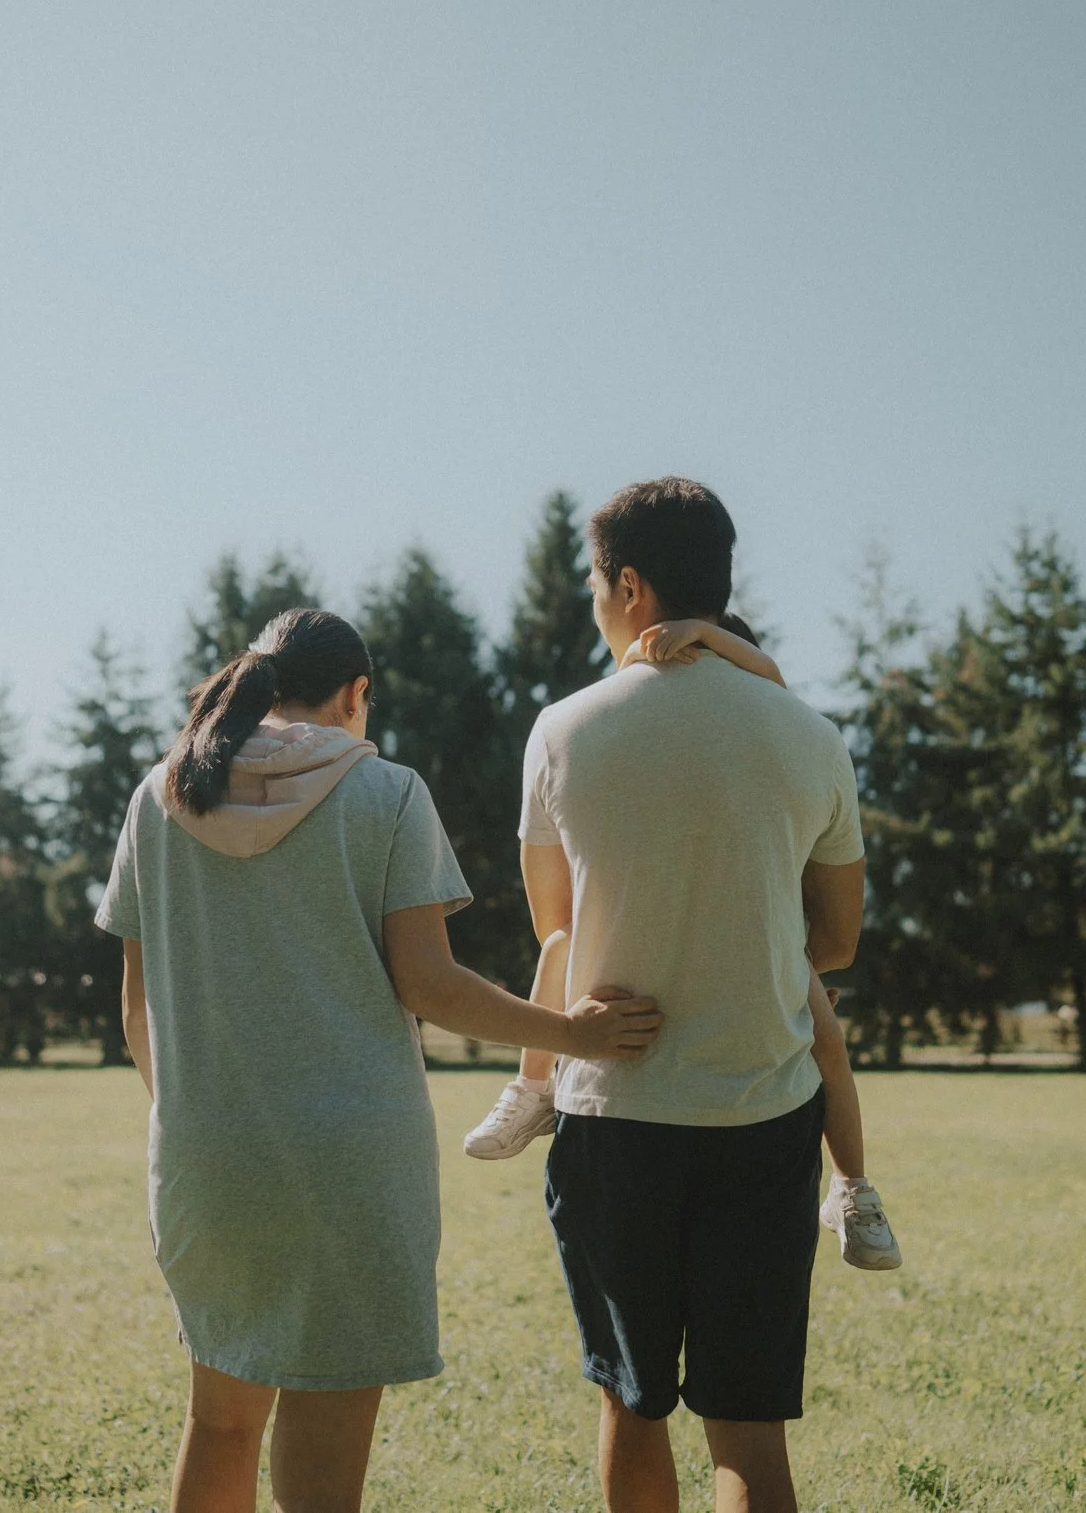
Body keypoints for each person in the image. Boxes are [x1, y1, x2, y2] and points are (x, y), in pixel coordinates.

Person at [98, 607, 663, 1513]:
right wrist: (578, 1035)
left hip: (206, 1164)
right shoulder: (387, 793)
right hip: (348, 1167)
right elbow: (431, 985)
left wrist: (202, 1116)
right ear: (357, 694)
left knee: (221, 1422)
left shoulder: (161, 795)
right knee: (324, 1439)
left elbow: (138, 1010)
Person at [509, 478, 867, 1513]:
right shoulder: (810, 734)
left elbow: (555, 928)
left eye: (594, 582)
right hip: (764, 1112)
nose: (591, 598)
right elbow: (835, 938)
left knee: (632, 1406)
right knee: (748, 1428)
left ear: (627, 582)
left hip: (614, 1115)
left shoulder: (562, 729)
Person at [464, 612, 902, 1272]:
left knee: (829, 1040)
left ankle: (852, 1187)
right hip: (654, 974)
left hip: (763, 950)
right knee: (560, 945)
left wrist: (709, 634)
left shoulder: (779, 715)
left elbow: (772, 682)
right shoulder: (621, 724)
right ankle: (532, 1090)